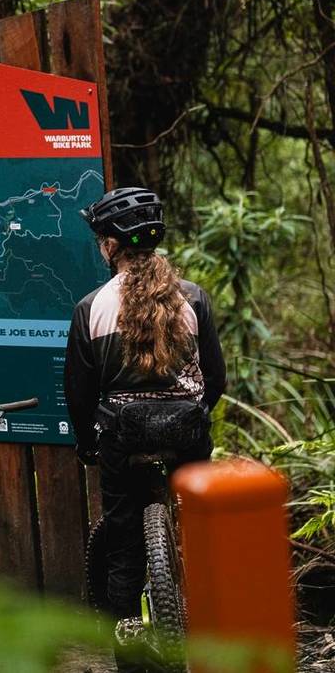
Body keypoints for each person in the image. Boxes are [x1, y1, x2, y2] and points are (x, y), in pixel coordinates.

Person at [64, 187, 226, 670]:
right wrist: (194, 414)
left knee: (124, 546)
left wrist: (86, 443)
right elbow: (215, 380)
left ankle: (131, 655)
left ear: (111, 245)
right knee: (200, 537)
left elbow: (80, 394)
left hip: (122, 438)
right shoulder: (193, 297)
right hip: (187, 435)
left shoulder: (91, 306)